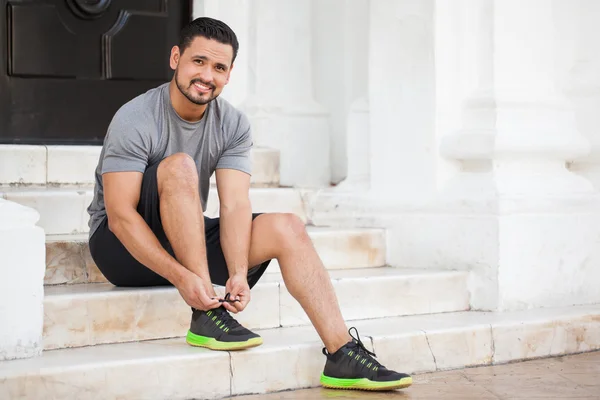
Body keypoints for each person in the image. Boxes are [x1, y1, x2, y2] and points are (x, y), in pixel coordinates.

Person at [86, 16, 412, 391]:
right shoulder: (137, 117)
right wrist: (184, 278)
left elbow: (235, 206)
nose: (207, 75)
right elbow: (120, 217)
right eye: (198, 61)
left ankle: (341, 354)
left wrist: (238, 272)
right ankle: (206, 314)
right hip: (120, 252)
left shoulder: (234, 124)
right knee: (179, 166)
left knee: (286, 226)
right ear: (175, 58)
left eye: (219, 67)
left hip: (182, 241)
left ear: (229, 74)